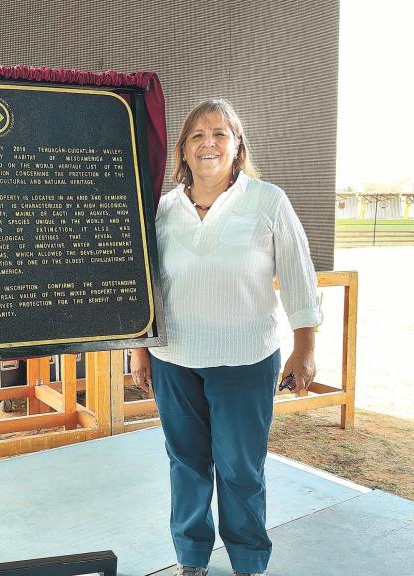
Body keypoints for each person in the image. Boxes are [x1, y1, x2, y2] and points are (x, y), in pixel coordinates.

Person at [130, 98, 321, 576]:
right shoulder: (162, 207)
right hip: (175, 357)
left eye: (219, 133)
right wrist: (141, 351)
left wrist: (305, 348)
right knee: (187, 464)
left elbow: (300, 277)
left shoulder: (267, 201)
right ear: (183, 150)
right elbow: (147, 283)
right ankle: (191, 557)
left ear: (237, 146)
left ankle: (248, 560)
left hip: (245, 360)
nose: (208, 143)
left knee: (240, 469)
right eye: (196, 135)